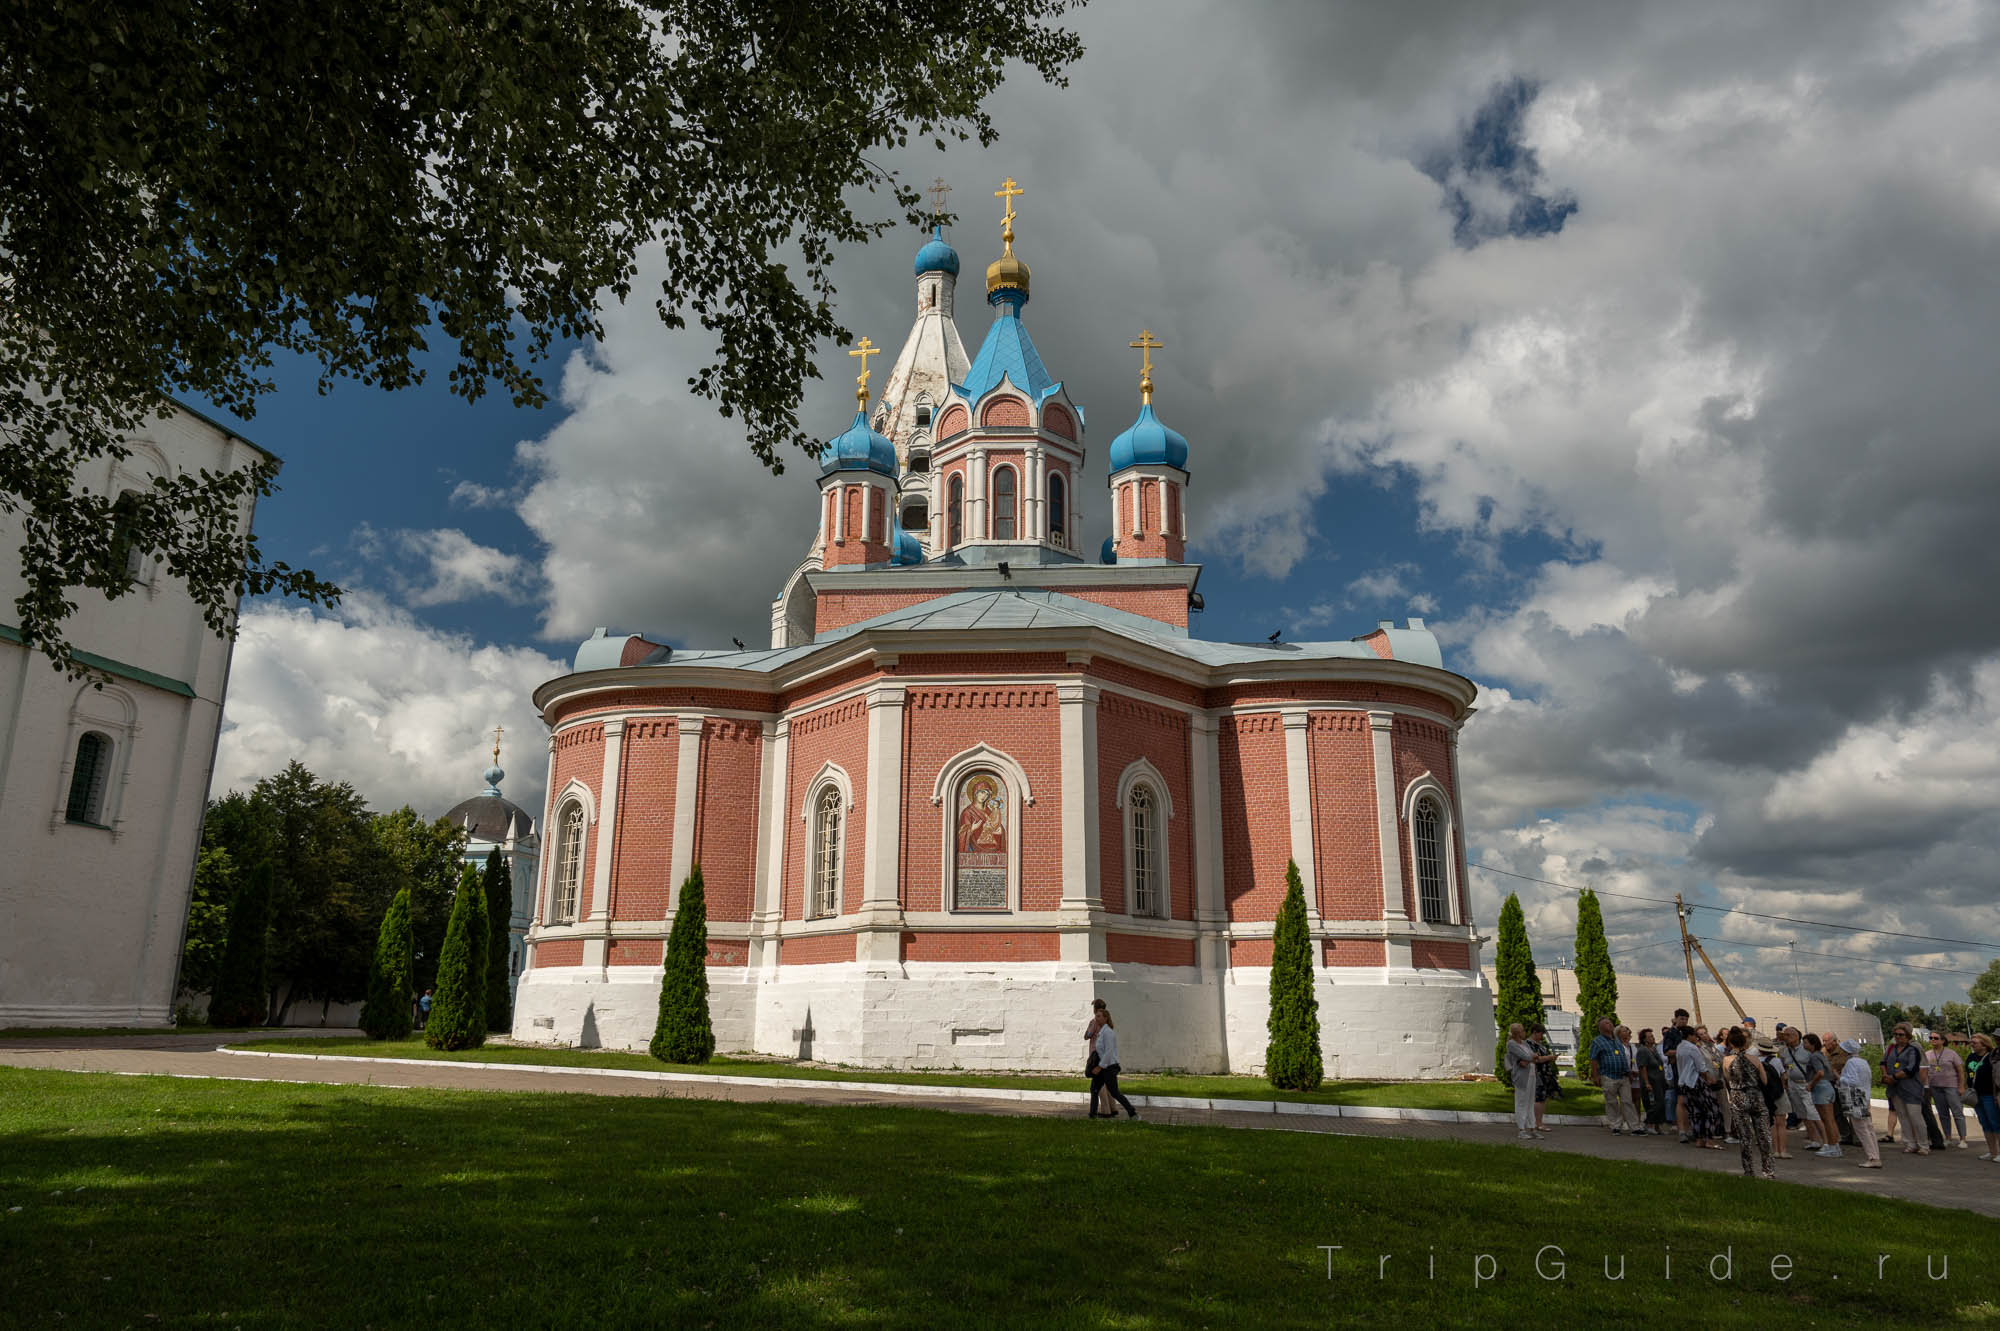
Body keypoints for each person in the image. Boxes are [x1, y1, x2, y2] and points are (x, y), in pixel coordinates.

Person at [1721, 1027, 1776, 1179]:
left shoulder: (1726, 1060)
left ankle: (1749, 1171)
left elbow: (1727, 1080)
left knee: (1745, 1137)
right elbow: (1764, 1081)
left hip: (1738, 1098)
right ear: (1745, 1043)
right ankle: (1768, 1171)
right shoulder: (1755, 1060)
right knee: (1764, 1135)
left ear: (1731, 1043)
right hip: (1756, 1097)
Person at [1833, 1039, 1883, 1167]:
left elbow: (1852, 1081)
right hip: (1863, 1095)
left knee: (1861, 1129)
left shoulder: (1851, 1063)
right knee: (1868, 1128)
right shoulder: (1863, 1062)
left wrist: (1839, 1077)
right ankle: (1874, 1155)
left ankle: (1873, 1157)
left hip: (1854, 1096)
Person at [1882, 1023, 1930, 1155]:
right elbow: (1883, 1062)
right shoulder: (1891, 1048)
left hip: (1910, 1087)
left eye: (1901, 1035)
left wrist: (1894, 1077)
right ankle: (1910, 1143)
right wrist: (1885, 1075)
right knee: (1902, 1116)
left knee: (1915, 1116)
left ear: (1908, 1036)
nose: (1898, 1037)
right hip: (1895, 1088)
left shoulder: (1913, 1049)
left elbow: (1911, 1068)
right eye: (1896, 1034)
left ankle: (1924, 1144)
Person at [1588, 1017, 1639, 1135]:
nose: (1610, 1024)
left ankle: (1635, 1127)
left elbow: (1622, 1056)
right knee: (1611, 1102)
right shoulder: (1597, 1041)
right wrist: (1596, 1076)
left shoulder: (1617, 1040)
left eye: (1610, 1022)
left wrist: (1628, 1072)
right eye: (1606, 1023)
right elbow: (1593, 1059)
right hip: (1608, 1076)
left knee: (1627, 1101)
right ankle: (1615, 1126)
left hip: (1623, 1076)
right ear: (1600, 1027)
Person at [1675, 1024, 1723, 1149]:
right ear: (1690, 1036)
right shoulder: (1692, 1048)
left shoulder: (1679, 1047)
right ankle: (1709, 1139)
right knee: (1711, 1109)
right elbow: (1700, 1066)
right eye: (1695, 1035)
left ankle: (1699, 1139)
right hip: (1696, 1081)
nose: (1696, 1038)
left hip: (1684, 1082)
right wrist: (1709, 1078)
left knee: (1694, 1111)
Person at [1088, 1005, 1138, 1120]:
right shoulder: (1101, 1032)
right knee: (1094, 1089)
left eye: (1099, 1016)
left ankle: (1133, 1113)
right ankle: (1092, 1115)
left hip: (1109, 1067)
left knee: (1114, 1092)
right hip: (1103, 1066)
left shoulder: (1108, 1033)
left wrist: (1099, 1067)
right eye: (1096, 1016)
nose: (1097, 1019)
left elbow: (1109, 1052)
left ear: (1106, 1018)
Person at [1505, 1022, 1554, 1140]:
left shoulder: (1523, 1043)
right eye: (1522, 1031)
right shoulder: (1511, 1044)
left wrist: (1532, 1057)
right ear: (1517, 1033)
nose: (1524, 1032)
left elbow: (1532, 1055)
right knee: (1521, 1103)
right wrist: (1532, 1057)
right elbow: (1527, 1057)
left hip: (1531, 1075)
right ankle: (1521, 1129)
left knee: (1530, 1103)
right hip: (1521, 1077)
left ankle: (1532, 1128)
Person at [1777, 1026, 1820, 1149]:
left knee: (1813, 1113)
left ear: (1795, 1036)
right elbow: (1785, 1066)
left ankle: (1827, 1141)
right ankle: (1814, 1140)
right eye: (1784, 1035)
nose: (1785, 1037)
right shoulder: (1785, 1051)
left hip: (1805, 1084)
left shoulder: (1806, 1049)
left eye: (1787, 1035)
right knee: (1802, 1114)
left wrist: (1812, 1083)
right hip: (1792, 1084)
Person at [1924, 1032, 1969, 1149]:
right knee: (1943, 1114)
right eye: (1931, 1038)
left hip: (1951, 1086)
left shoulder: (1951, 1053)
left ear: (1943, 1040)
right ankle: (1948, 1138)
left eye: (1935, 1038)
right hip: (1935, 1087)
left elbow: (1960, 1070)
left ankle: (1963, 1139)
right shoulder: (1927, 1054)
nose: (1932, 1040)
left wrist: (1961, 1086)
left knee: (1957, 1112)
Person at [1801, 1034, 1841, 1157]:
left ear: (1812, 1044)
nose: (1804, 1045)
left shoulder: (1814, 1057)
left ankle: (1833, 1147)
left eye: (1806, 1043)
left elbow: (1820, 1072)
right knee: (1830, 1120)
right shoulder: (1820, 1054)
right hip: (1827, 1087)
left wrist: (1811, 1084)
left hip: (1820, 1088)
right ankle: (1834, 1145)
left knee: (1827, 1120)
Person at [1755, 1034, 1791, 1158]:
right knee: (1781, 1123)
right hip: (1778, 1093)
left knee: (1771, 1123)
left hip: (1764, 1095)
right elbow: (1784, 1077)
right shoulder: (1776, 1061)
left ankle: (1774, 1150)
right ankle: (1783, 1150)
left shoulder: (1756, 1061)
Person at [1967, 1032, 2000, 1161]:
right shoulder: (1971, 1057)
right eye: (1971, 1042)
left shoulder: (1991, 1057)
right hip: (1976, 1095)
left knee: (1995, 1122)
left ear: (1984, 1044)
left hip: (1988, 1095)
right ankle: (1992, 1152)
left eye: (1975, 1043)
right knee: (1984, 1123)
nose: (1972, 1045)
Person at [1527, 1023, 1560, 1131]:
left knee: (1542, 1099)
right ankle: (1537, 1123)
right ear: (1534, 1032)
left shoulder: (1540, 1044)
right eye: (1541, 1034)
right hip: (1536, 1074)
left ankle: (1538, 1122)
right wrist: (1549, 1057)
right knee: (1538, 1098)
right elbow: (1535, 1059)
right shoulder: (1529, 1044)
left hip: (1544, 1074)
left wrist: (1551, 1058)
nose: (1542, 1037)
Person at [1634, 1028, 1668, 1135]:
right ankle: (1649, 1124)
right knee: (1655, 1103)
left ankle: (1658, 1126)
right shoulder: (1643, 1051)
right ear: (1644, 1039)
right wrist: (1647, 1082)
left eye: (1653, 1036)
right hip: (1651, 1081)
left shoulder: (1654, 1049)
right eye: (1650, 1036)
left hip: (1659, 1080)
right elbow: (1642, 1067)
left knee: (1662, 1103)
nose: (1653, 1038)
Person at [1083, 999, 1113, 1117]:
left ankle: (1104, 1111)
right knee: (1106, 1083)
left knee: (1097, 1085)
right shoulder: (1107, 1021)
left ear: (1095, 1009)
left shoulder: (1094, 1021)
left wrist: (1088, 1032)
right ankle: (1113, 1108)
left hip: (1096, 1055)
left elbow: (1087, 1035)